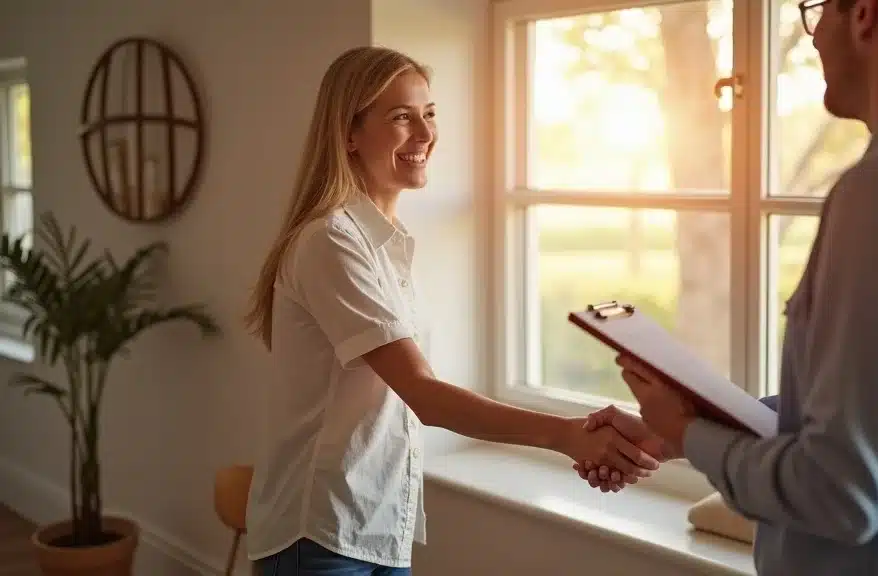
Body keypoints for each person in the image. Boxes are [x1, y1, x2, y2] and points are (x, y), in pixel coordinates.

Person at [577, 0, 878, 574]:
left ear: (864, 15)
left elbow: (843, 492)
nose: (813, 37)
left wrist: (687, 433)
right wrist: (695, 425)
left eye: (817, 11)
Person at [242, 46, 660, 575]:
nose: (424, 134)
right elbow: (426, 397)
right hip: (319, 533)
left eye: (429, 113)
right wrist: (567, 435)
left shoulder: (384, 244)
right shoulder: (332, 243)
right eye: (401, 117)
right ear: (348, 133)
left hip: (374, 524)